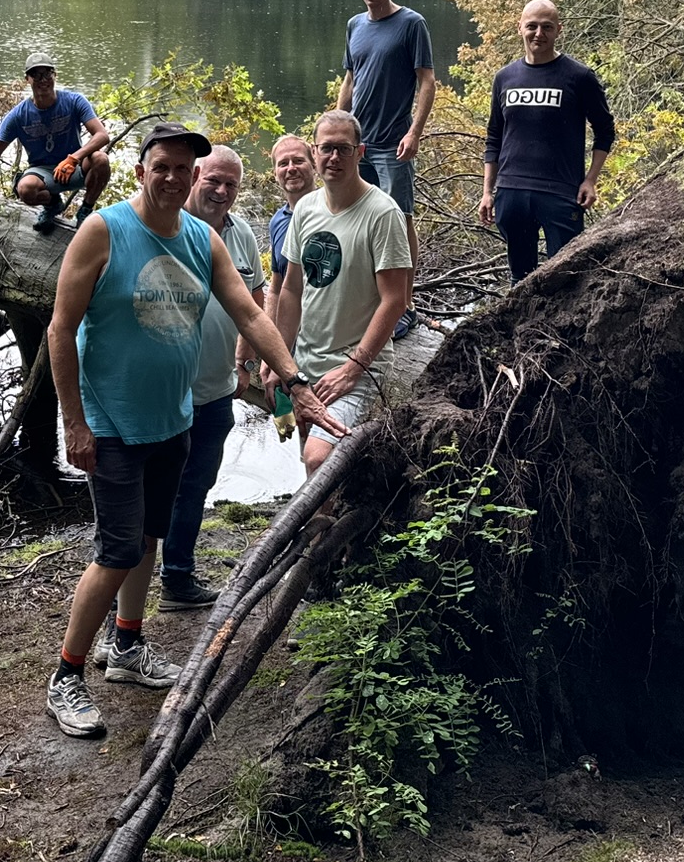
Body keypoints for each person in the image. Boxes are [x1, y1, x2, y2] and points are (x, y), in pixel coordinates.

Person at [43, 123, 339, 738]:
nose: (175, 178)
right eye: (164, 167)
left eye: (185, 169)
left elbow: (250, 311)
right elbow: (60, 329)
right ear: (140, 171)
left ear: (196, 177)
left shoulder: (204, 239)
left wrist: (293, 381)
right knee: (117, 550)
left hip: (172, 418)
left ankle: (127, 647)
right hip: (112, 420)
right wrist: (73, 422)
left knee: (150, 540)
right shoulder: (104, 231)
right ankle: (67, 675)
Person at [274, 111, 412, 479]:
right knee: (307, 450)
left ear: (360, 152)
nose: (334, 158)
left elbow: (395, 300)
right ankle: (323, 532)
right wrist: (279, 358)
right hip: (306, 362)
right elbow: (291, 287)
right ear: (314, 153)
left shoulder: (382, 213)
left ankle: (326, 528)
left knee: (319, 458)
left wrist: (355, 367)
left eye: (343, 149)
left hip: (357, 367)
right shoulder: (305, 208)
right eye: (326, 149)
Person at [159, 145, 264, 610]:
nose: (221, 192)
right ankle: (126, 606)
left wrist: (244, 362)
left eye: (231, 185)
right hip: (164, 389)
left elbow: (255, 300)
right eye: (213, 181)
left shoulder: (240, 234)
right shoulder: (164, 226)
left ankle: (177, 577)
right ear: (195, 175)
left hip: (217, 387)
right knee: (154, 491)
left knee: (198, 483)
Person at [478, 0, 616, 282]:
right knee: (520, 280)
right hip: (512, 191)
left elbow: (605, 130)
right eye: (532, 26)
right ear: (520, 28)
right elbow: (494, 136)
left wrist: (590, 179)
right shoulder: (505, 78)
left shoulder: (579, 77)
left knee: (566, 278)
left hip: (561, 193)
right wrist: (488, 191)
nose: (538, 34)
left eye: (547, 27)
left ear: (558, 30)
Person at [337, 0, 433, 333]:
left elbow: (427, 80)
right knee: (357, 220)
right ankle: (368, 301)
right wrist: (333, 129)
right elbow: (350, 80)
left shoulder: (411, 24)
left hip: (393, 144)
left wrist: (415, 132)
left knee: (399, 221)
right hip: (357, 145)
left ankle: (404, 306)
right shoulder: (354, 25)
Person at [0, 51, 112, 231]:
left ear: (54, 75)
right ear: (27, 79)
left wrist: (74, 158)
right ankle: (52, 205)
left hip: (74, 167)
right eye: (36, 75)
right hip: (43, 171)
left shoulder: (74, 101)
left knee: (101, 159)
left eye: (47, 73)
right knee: (26, 189)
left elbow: (102, 135)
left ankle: (85, 210)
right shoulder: (18, 115)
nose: (43, 80)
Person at [264, 132, 318, 321]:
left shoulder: (333, 211)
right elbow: (276, 287)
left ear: (314, 165)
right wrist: (270, 339)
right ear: (275, 173)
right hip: (291, 334)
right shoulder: (277, 221)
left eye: (298, 161)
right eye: (283, 163)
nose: (291, 168)